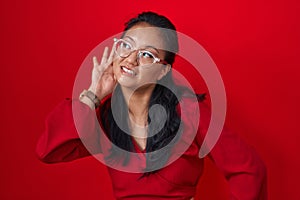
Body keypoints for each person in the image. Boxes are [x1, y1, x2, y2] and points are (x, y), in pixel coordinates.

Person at [36, 12, 267, 200]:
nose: (130, 59)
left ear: (163, 70)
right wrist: (93, 95)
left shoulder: (187, 111)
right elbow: (49, 150)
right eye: (126, 45)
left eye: (147, 54)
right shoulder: (105, 117)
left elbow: (249, 169)